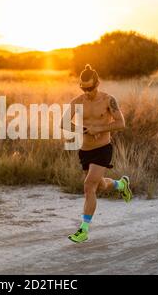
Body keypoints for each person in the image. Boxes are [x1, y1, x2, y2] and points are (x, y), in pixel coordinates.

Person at [61, 64, 132, 243]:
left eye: (90, 88)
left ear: (97, 83)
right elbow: (64, 123)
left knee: (88, 186)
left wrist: (99, 128)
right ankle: (121, 185)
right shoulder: (77, 101)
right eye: (83, 87)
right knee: (99, 185)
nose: (86, 91)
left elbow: (121, 123)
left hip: (102, 149)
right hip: (85, 151)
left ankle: (83, 230)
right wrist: (84, 130)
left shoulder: (108, 100)